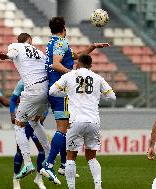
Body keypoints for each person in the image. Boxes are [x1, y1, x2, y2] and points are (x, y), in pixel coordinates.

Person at [41, 16, 110, 184]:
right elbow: (57, 64)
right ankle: (49, 164)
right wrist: (72, 75)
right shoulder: (60, 43)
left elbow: (76, 56)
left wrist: (92, 47)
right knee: (63, 129)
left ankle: (64, 164)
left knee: (67, 128)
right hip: (62, 91)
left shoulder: (53, 43)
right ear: (64, 28)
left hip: (55, 88)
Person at [49, 54, 116, 189]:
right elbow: (112, 97)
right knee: (92, 156)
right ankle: (98, 186)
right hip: (93, 122)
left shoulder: (70, 75)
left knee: (71, 155)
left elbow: (52, 91)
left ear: (77, 63)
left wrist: (68, 94)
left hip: (76, 121)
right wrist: (96, 96)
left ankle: (72, 187)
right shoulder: (98, 78)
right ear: (91, 65)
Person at [0, 33, 50, 179]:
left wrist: (5, 56)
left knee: (19, 125)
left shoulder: (15, 46)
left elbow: (12, 54)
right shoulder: (39, 52)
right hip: (46, 91)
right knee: (35, 121)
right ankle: (49, 154)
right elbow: (49, 67)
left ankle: (27, 163)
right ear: (30, 41)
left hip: (32, 90)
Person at [10, 79, 46, 189]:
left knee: (42, 150)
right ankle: (16, 179)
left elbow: (46, 103)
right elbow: (13, 100)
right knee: (20, 151)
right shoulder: (23, 81)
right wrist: (12, 114)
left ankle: (38, 179)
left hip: (35, 122)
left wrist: (43, 114)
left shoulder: (46, 81)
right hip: (24, 120)